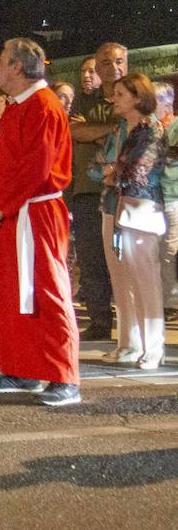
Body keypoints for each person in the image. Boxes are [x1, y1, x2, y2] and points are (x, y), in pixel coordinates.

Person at [0, 38, 79, 406]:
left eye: (2, 62)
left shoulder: (43, 106)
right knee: (11, 293)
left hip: (34, 212)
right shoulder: (18, 106)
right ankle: (22, 369)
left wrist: (1, 204)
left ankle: (63, 375)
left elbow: (37, 167)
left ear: (18, 67)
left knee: (47, 291)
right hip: (10, 211)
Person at [95, 73, 166, 368]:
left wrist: (113, 171)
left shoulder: (151, 130)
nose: (115, 99)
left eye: (122, 94)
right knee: (122, 279)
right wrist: (112, 172)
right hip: (115, 206)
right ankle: (129, 343)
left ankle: (154, 347)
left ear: (138, 97)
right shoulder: (120, 129)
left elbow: (137, 171)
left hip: (141, 208)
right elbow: (97, 167)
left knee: (145, 280)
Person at [68, 42, 126, 341]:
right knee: (91, 257)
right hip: (88, 190)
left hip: (127, 192)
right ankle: (100, 320)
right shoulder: (84, 100)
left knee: (126, 257)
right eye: (105, 62)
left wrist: (93, 129)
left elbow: (133, 132)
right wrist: (111, 130)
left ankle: (130, 320)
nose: (111, 67)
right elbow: (74, 131)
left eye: (118, 61)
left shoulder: (134, 98)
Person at [156, 81, 178, 319]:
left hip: (173, 197)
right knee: (156, 252)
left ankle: (171, 302)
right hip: (153, 199)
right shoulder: (150, 127)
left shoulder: (175, 126)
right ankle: (161, 299)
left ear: (167, 103)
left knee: (169, 252)